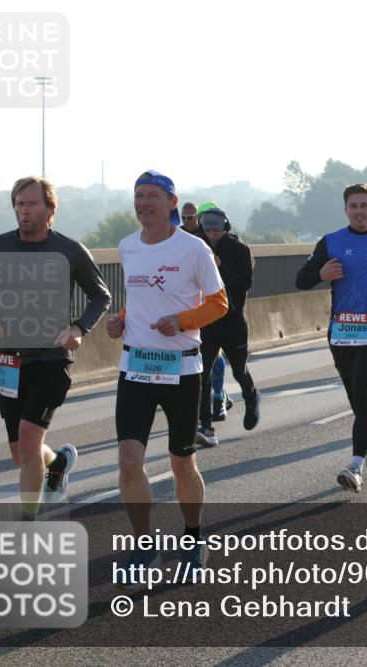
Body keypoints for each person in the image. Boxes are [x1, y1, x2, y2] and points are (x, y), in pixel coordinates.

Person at [107, 170, 228, 589]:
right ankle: (144, 545)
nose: (144, 203)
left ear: (172, 202)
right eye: (138, 196)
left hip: (181, 369)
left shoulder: (193, 249)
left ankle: (193, 539)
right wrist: (121, 320)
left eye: (153, 196)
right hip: (135, 367)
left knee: (181, 463)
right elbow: (138, 297)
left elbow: (219, 304)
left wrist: (182, 320)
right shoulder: (127, 247)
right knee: (128, 462)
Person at [0, 176, 111, 517]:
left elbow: (100, 295)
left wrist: (78, 327)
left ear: (49, 209)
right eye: (18, 204)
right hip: (8, 360)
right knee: (21, 453)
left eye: (31, 204)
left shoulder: (69, 250)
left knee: (29, 439)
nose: (24, 210)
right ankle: (57, 462)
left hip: (51, 358)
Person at [295, 183, 367, 492]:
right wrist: (321, 274)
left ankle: (355, 465)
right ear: (345, 210)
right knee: (355, 398)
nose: (359, 211)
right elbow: (301, 280)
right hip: (341, 330)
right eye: (353, 206)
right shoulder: (330, 242)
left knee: (363, 393)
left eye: (364, 206)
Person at [193, 206, 262, 447]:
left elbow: (244, 284)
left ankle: (251, 398)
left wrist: (220, 267)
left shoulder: (239, 249)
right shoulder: (197, 246)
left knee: (239, 369)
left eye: (217, 230)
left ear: (225, 228)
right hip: (207, 320)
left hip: (233, 320)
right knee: (201, 374)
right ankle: (205, 425)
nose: (212, 235)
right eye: (208, 230)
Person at [185, 200, 232, 422]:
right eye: (184, 218)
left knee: (216, 354)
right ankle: (209, 398)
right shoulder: (183, 239)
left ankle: (218, 396)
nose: (188, 222)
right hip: (194, 304)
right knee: (205, 356)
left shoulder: (226, 242)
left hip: (217, 304)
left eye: (192, 218)